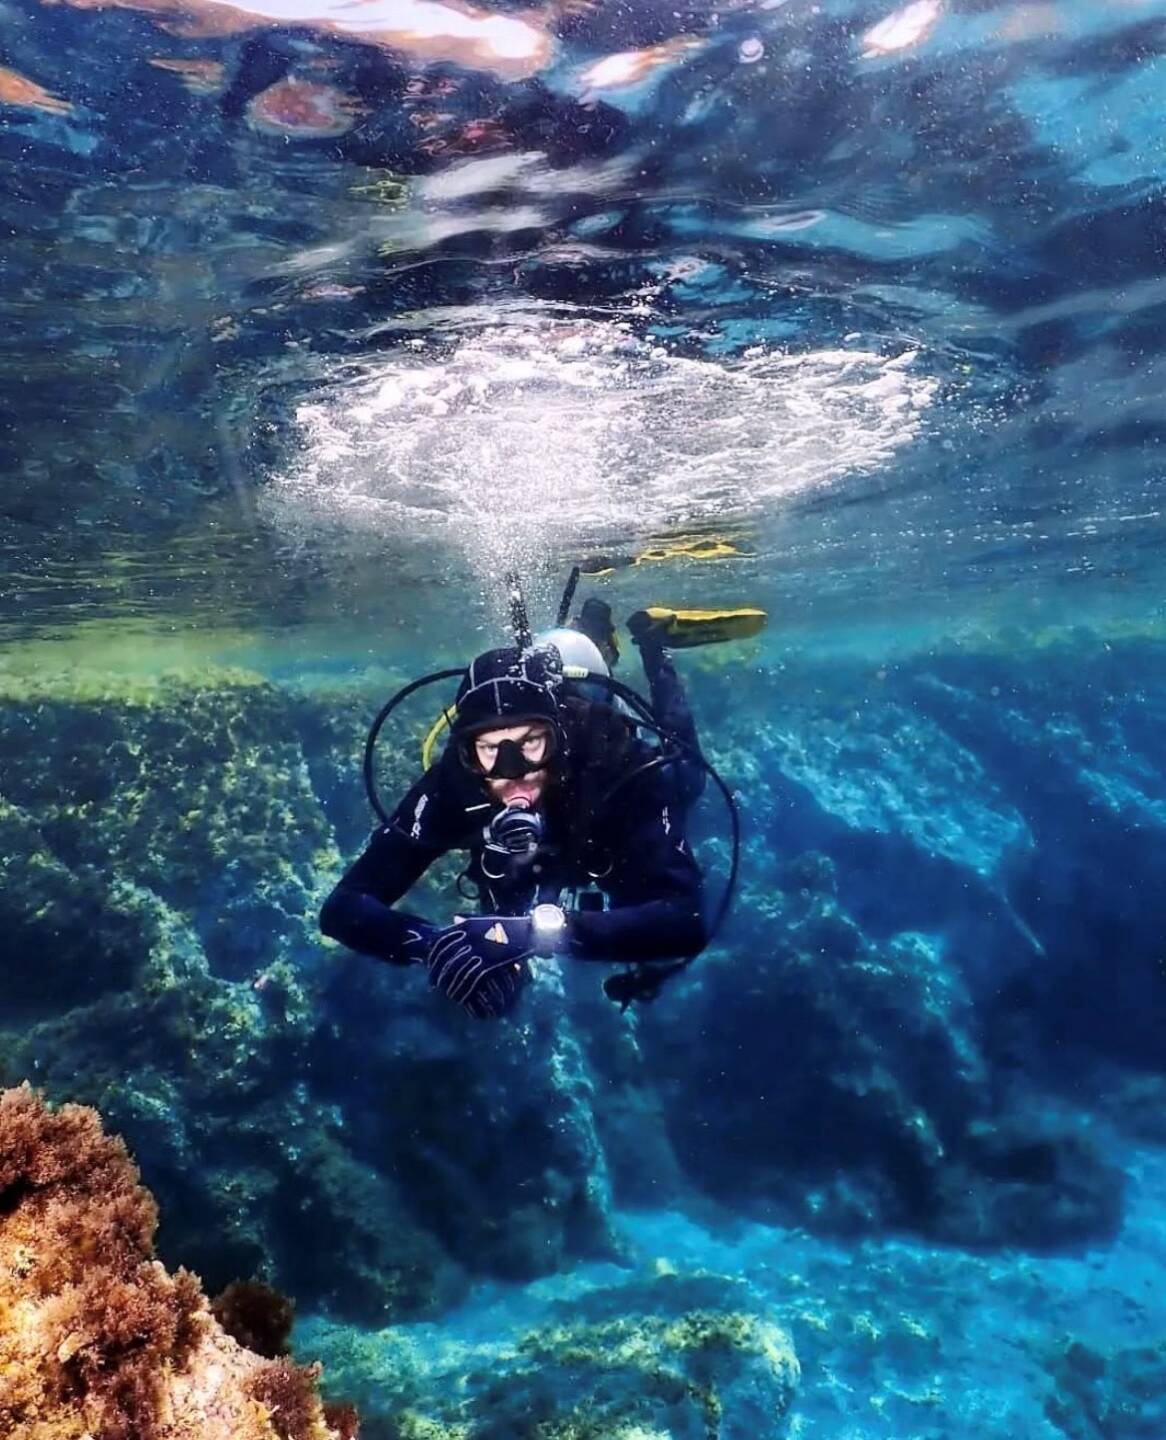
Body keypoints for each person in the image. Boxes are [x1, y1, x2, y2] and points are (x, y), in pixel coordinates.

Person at [319, 635, 707, 1020]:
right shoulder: (454, 786)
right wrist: (437, 945)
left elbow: (685, 920)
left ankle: (655, 651)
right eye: (490, 749)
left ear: (559, 736)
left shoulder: (614, 765)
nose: (513, 770)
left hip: (602, 836)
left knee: (688, 777)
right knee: (505, 898)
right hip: (531, 862)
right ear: (468, 754)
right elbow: (343, 907)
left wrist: (530, 935)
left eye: (532, 742)